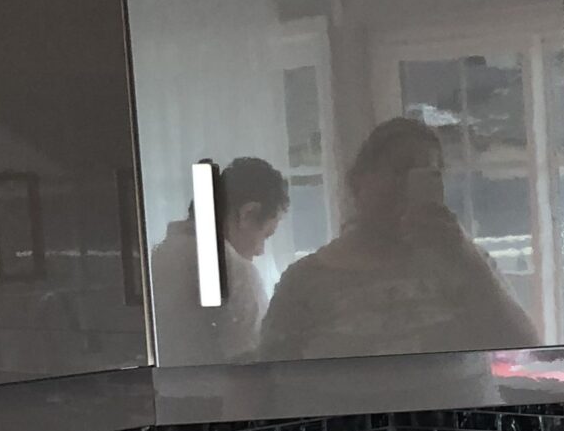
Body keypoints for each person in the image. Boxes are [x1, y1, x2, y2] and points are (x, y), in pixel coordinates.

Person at [258, 116, 538, 360]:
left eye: (428, 173)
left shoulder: (465, 263)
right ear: (358, 182)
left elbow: (526, 348)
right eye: (400, 170)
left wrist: (466, 259)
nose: (408, 185)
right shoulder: (304, 281)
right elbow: (265, 380)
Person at [151, 155, 291, 362]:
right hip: (216, 392)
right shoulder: (235, 271)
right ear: (248, 214)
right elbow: (250, 369)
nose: (260, 251)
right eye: (265, 235)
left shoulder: (157, 256)